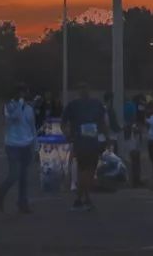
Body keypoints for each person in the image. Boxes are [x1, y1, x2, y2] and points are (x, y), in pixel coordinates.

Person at [61, 82, 109, 211]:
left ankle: (85, 199)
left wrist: (106, 138)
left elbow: (103, 123)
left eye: (86, 89)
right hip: (82, 143)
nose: (85, 91)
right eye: (83, 89)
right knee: (86, 171)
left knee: (88, 171)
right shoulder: (74, 105)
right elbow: (63, 122)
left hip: (91, 143)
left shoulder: (96, 104)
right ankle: (79, 199)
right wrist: (68, 135)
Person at [0, 83, 36, 213]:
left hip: (26, 145)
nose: (25, 95)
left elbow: (32, 127)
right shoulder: (9, 106)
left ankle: (22, 203)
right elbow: (14, 118)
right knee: (14, 174)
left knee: (24, 177)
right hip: (13, 145)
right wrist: (19, 103)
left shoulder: (29, 108)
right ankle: (0, 193)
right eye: (23, 93)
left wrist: (35, 146)